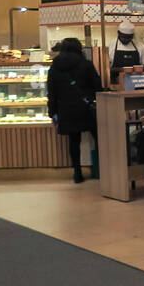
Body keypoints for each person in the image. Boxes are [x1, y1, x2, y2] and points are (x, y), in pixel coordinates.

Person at [46, 39, 102, 183]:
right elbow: (97, 85)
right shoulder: (86, 65)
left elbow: (51, 92)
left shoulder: (55, 67)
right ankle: (102, 170)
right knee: (99, 138)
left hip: (66, 108)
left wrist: (52, 113)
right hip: (87, 108)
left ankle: (77, 173)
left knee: (73, 141)